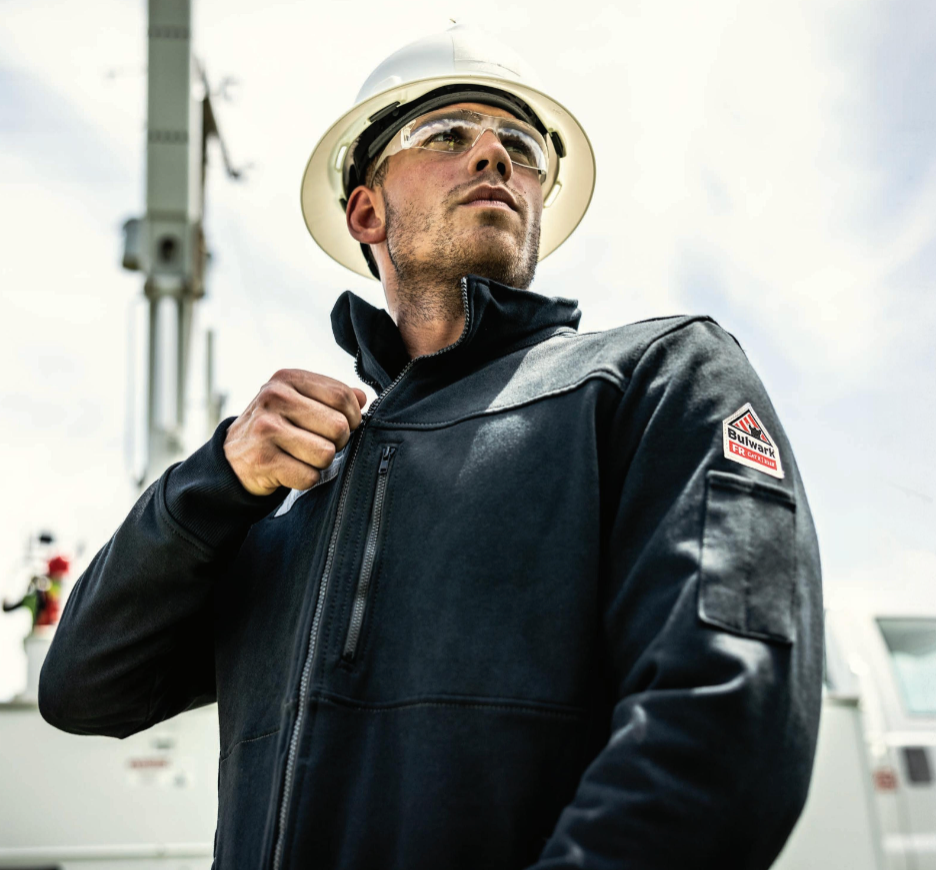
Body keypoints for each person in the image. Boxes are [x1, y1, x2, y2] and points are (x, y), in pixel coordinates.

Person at [39, 24, 823, 870]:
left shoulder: (653, 381)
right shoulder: (288, 489)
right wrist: (218, 477)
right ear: (365, 209)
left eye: (521, 148)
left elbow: (722, 716)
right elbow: (86, 689)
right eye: (448, 135)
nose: (494, 156)